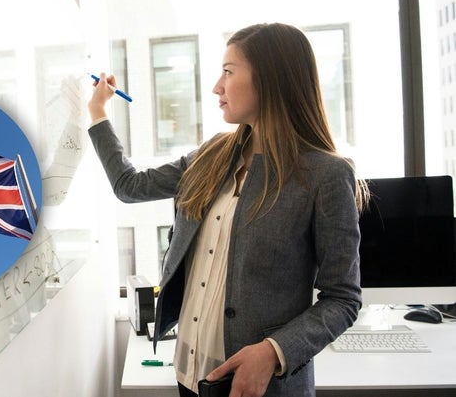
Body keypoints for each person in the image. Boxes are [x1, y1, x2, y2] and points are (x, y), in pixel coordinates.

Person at [87, 22, 368, 397]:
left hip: (260, 387)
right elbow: (130, 186)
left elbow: (343, 299)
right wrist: (98, 112)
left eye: (228, 72)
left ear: (270, 79)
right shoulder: (212, 155)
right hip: (190, 375)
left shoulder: (326, 175)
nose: (217, 87)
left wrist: (273, 352)